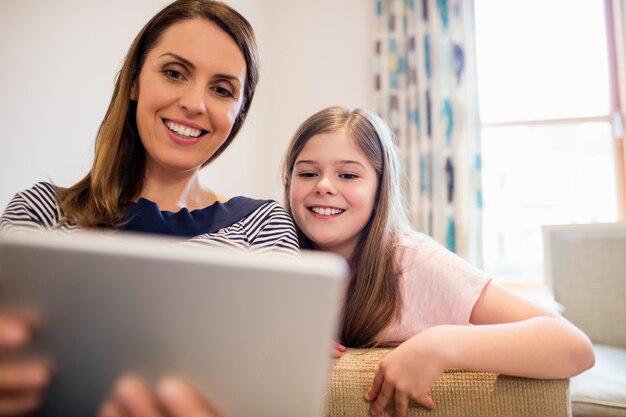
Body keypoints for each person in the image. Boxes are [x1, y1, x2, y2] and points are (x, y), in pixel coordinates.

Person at [0, 0, 298, 415]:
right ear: (136, 80)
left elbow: (278, 383)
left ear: (238, 112)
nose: (195, 103)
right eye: (175, 73)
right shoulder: (40, 211)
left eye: (222, 89)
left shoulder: (262, 226)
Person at [281, 106, 595, 417]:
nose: (323, 186)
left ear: (379, 191)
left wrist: (441, 343)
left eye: (348, 175)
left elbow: (574, 347)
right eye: (308, 173)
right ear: (288, 180)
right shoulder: (274, 258)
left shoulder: (414, 262)